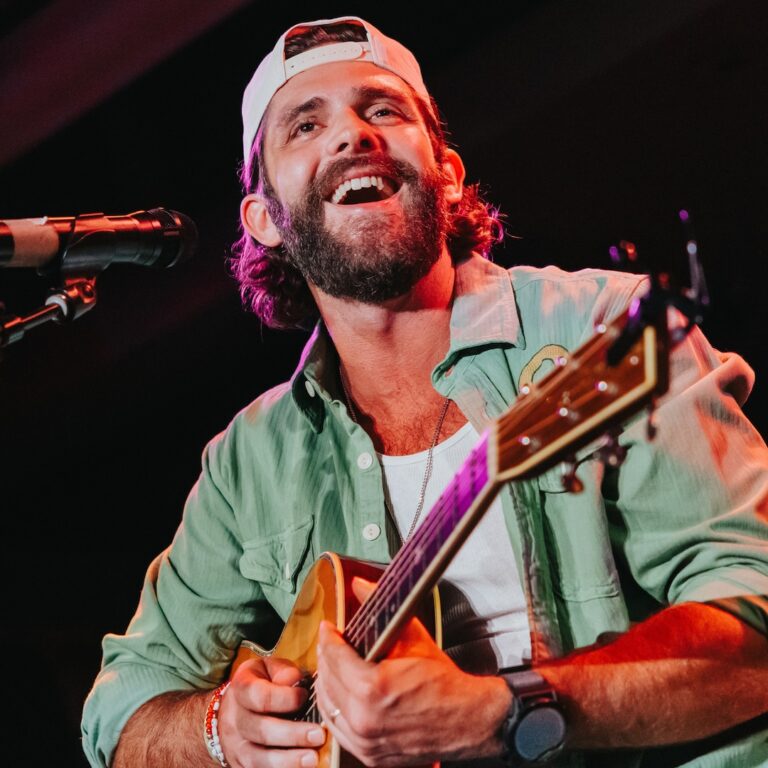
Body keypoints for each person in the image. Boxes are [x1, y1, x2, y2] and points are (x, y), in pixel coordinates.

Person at [81, 16, 768, 768]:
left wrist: (509, 711)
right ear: (264, 218)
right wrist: (223, 730)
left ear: (446, 172)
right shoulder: (248, 463)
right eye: (305, 125)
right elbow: (118, 715)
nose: (353, 134)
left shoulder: (601, 330)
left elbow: (757, 615)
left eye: (382, 110)